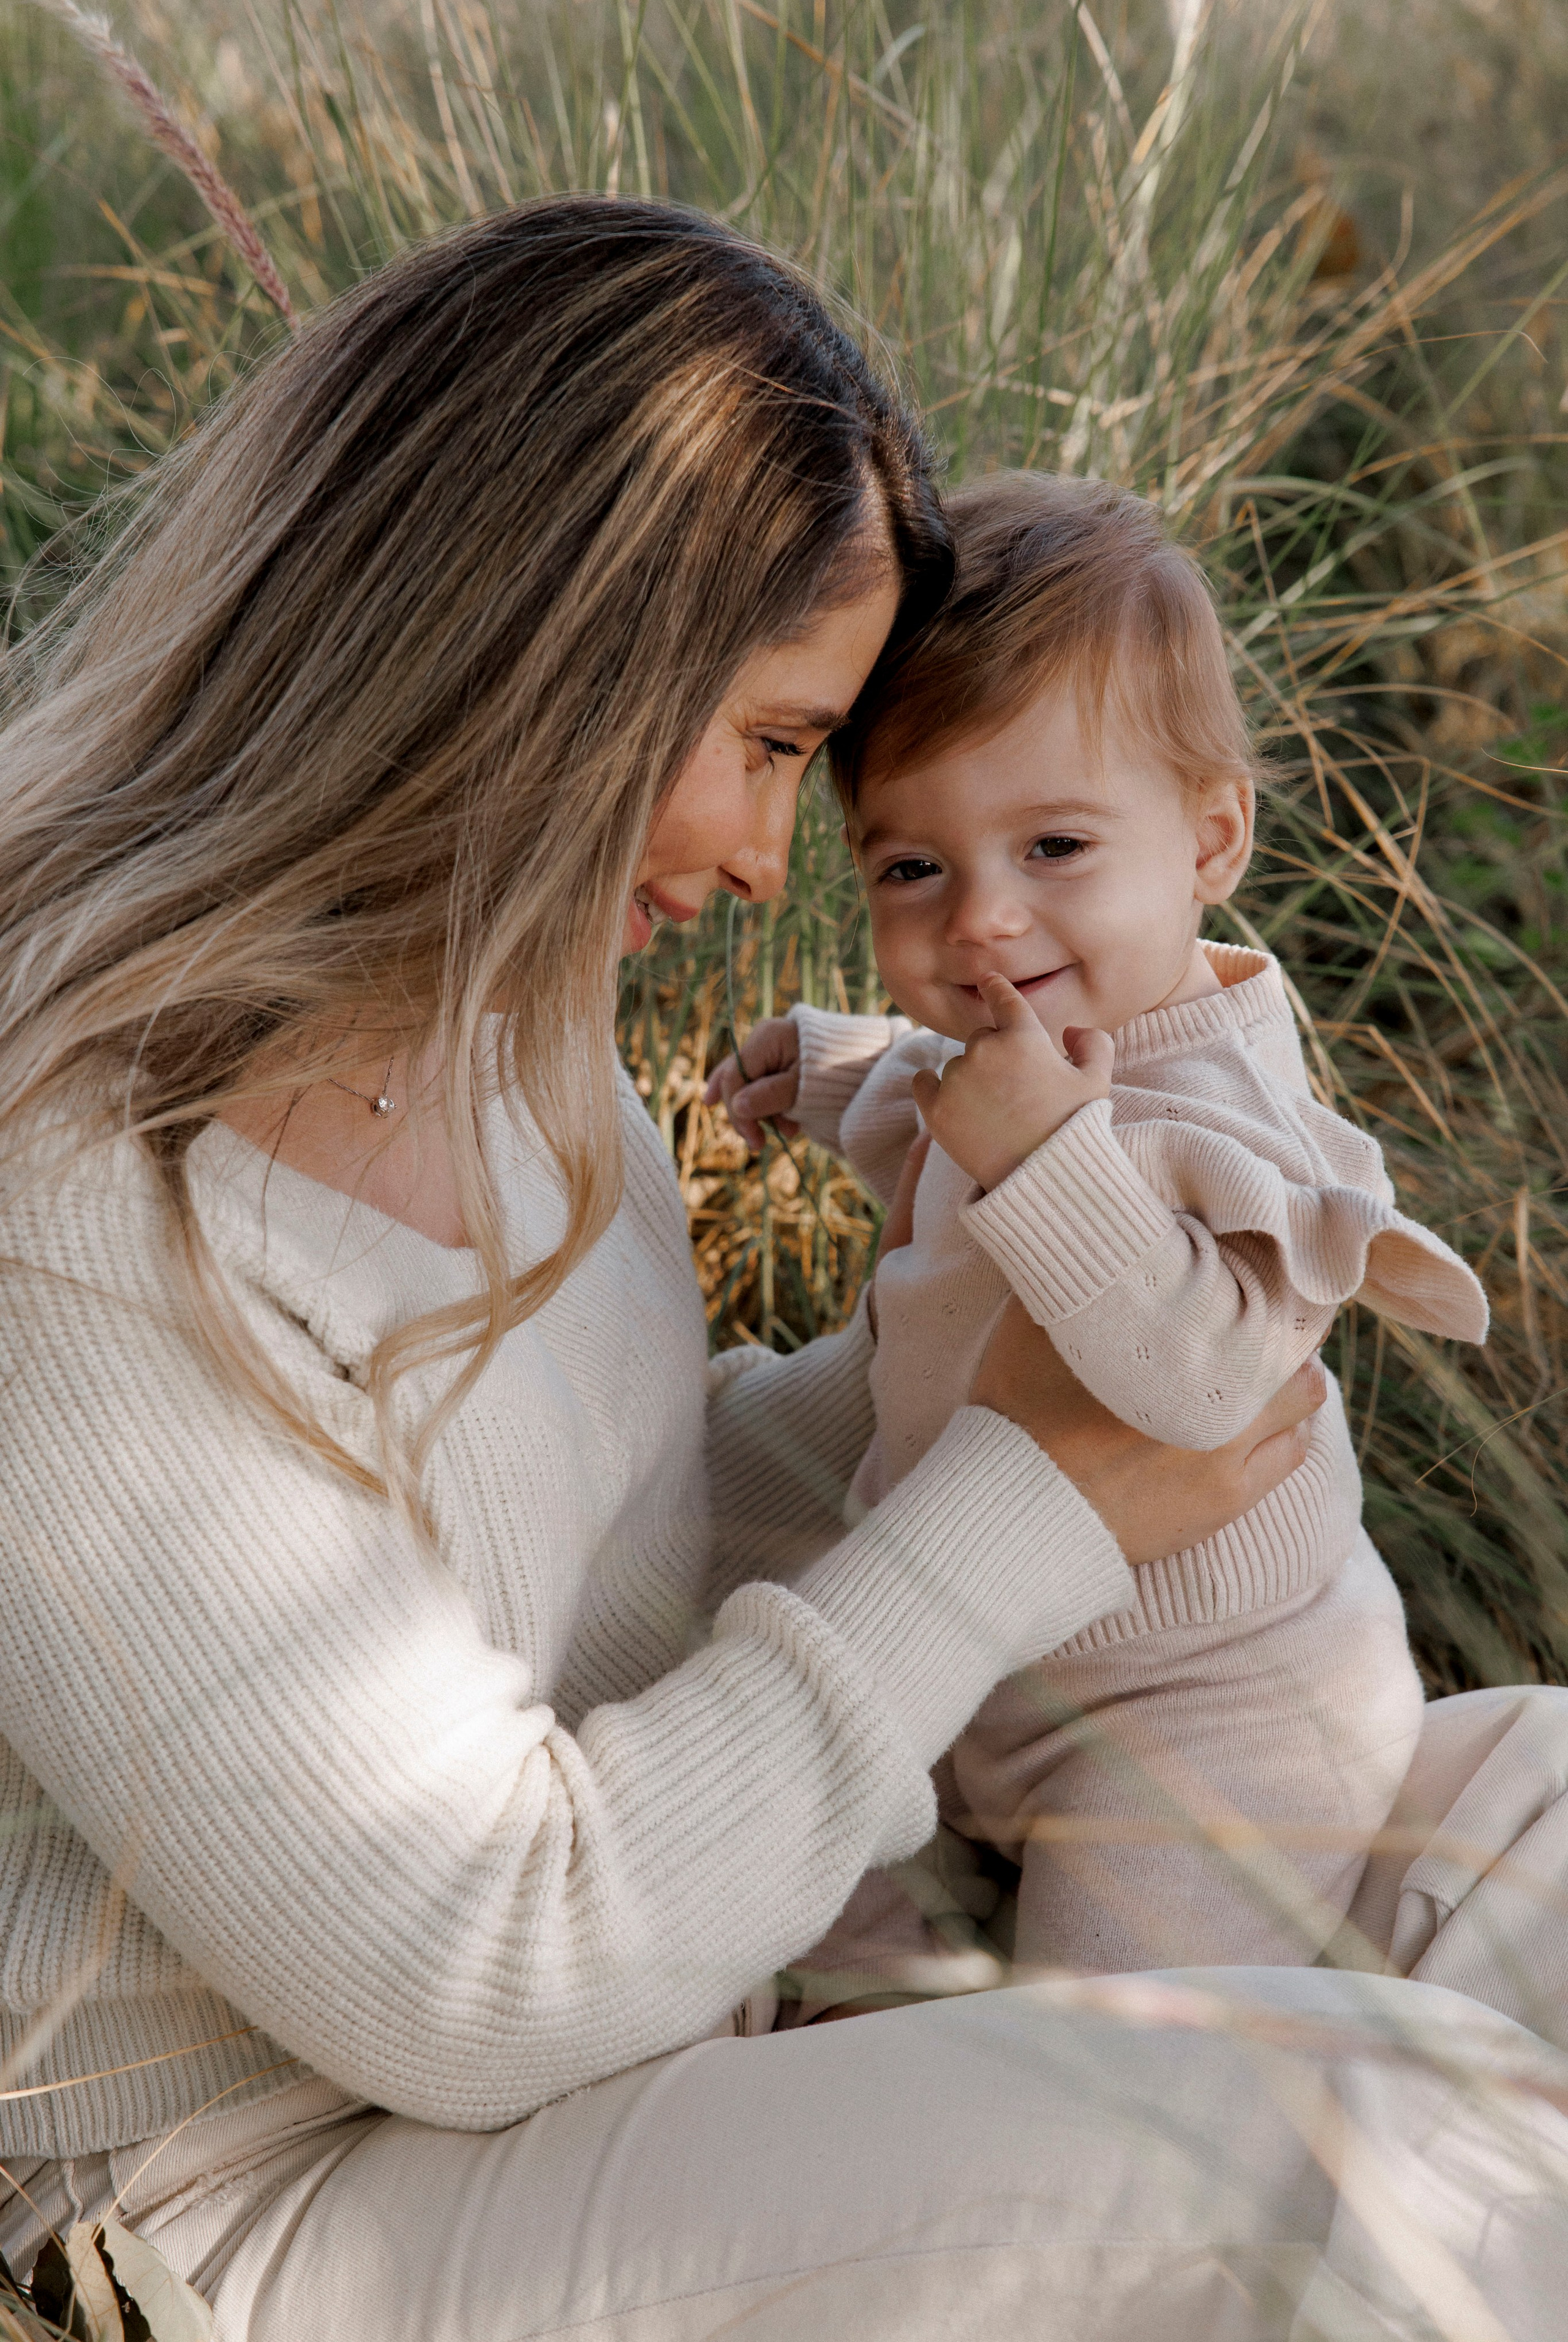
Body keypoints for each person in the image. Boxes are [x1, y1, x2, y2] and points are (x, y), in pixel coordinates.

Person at [0, 196, 1564, 2341]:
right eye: (767, 748)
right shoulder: (64, 1198)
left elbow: (612, 1515)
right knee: (1386, 2163)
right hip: (289, 2185)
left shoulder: (509, 1037)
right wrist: (1043, 1491)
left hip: (684, 1965)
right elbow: (471, 1975)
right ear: (537, 650)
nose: (766, 866)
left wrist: (988, 1395)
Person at [708, 470, 1488, 1993]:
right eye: (911, 869)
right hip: (1005, 1659)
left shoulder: (1214, 1104)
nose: (982, 922)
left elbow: (1203, 1385)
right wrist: (830, 1068)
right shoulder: (1016, 1051)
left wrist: (1048, 1159)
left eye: (1053, 850)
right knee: (804, 1916)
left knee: (1108, 2051)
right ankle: (861, 2045)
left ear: (1207, 844)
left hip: (1211, 1714)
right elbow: (938, 1110)